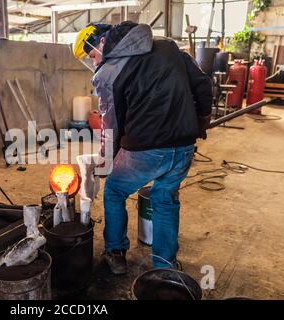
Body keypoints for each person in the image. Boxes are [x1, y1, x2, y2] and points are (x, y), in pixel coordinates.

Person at [73, 22, 213, 274]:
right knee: (164, 199)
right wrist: (202, 119)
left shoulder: (107, 74)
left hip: (145, 150)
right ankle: (165, 265)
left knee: (114, 191)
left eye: (92, 56)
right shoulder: (168, 47)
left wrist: (106, 163)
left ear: (101, 42)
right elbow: (202, 84)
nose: (94, 63)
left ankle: (115, 254)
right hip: (183, 147)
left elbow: (110, 127)